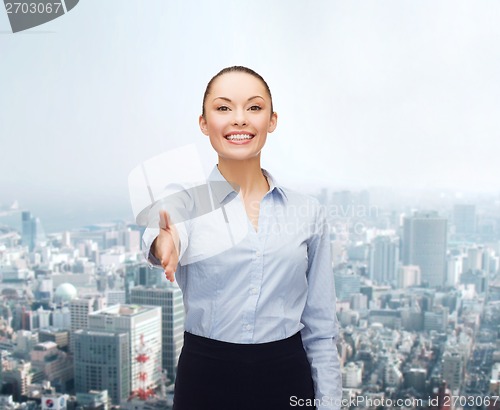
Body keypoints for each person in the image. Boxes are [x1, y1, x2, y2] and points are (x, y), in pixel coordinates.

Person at [143, 66, 342, 410]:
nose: (239, 119)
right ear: (204, 123)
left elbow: (321, 328)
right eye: (223, 108)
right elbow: (167, 227)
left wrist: (329, 404)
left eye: (253, 107)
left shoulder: (308, 211)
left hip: (287, 375)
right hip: (206, 378)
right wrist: (167, 242)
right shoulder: (187, 199)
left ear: (272, 120)